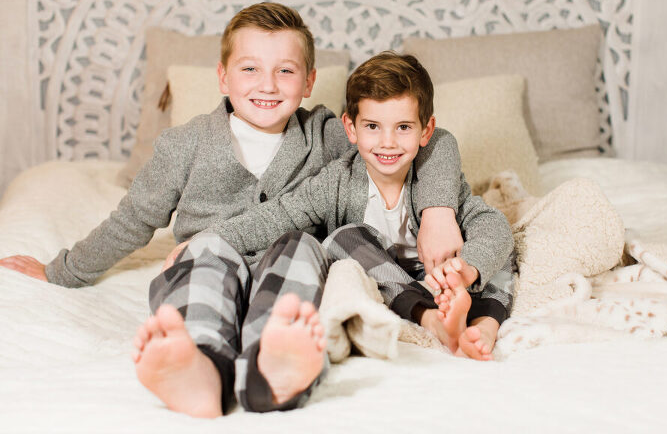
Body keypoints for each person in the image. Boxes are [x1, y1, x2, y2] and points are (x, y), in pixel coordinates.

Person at [0, 3, 465, 416]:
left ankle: (274, 365)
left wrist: (438, 211)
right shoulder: (185, 144)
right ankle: (199, 370)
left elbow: (434, 141)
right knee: (203, 263)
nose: (268, 85)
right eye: (250, 69)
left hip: (287, 258)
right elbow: (132, 220)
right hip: (211, 256)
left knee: (303, 249)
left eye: (285, 71)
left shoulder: (326, 134)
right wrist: (62, 270)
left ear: (309, 81)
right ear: (223, 77)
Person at [187, 51, 516, 363]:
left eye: (403, 127)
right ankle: (432, 319)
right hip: (394, 282)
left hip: (448, 277)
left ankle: (484, 328)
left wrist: (467, 270)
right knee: (342, 239)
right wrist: (206, 239)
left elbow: (490, 224)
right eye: (373, 126)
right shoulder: (336, 182)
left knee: (502, 245)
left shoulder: (436, 178)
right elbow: (278, 215)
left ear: (425, 131)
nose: (387, 142)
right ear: (351, 128)